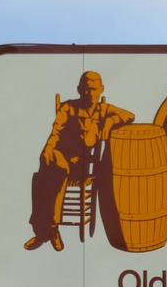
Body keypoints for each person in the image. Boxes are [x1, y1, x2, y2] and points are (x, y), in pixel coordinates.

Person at [24, 71, 134, 251]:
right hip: (61, 157)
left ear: (101, 89)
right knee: (48, 171)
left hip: (82, 165)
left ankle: (44, 231)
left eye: (93, 89)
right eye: (86, 89)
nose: (90, 93)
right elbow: (56, 131)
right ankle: (50, 229)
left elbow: (129, 115)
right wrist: (48, 148)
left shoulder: (104, 110)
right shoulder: (68, 108)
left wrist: (110, 121)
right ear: (79, 89)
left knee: (45, 176)